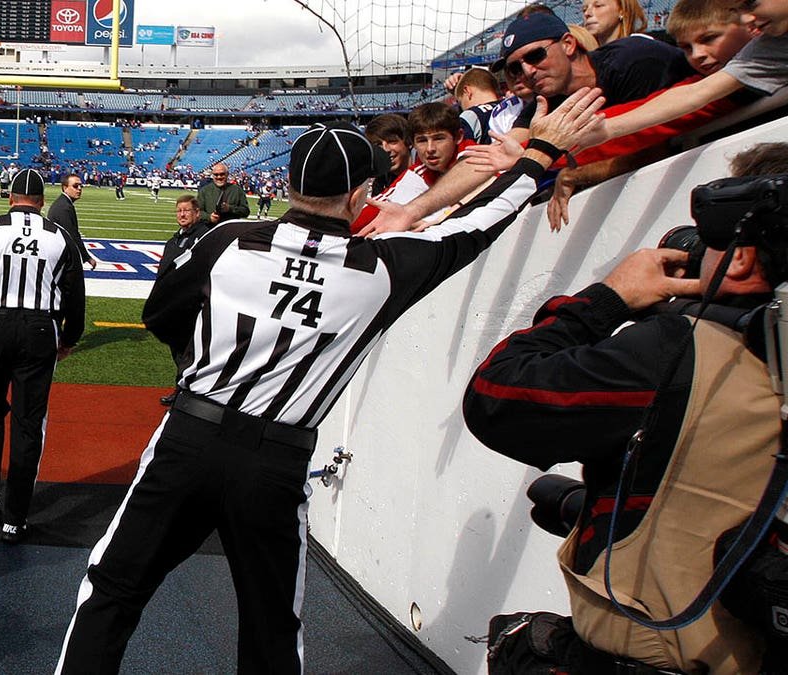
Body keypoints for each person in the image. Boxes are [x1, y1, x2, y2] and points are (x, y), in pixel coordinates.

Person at [56, 89, 606, 673]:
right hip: (276, 462)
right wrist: (540, 152)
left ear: (287, 185)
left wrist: (205, 367)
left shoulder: (227, 240)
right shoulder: (383, 268)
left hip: (190, 434)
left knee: (112, 590)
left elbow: (161, 313)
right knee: (271, 626)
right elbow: (477, 225)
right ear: (362, 193)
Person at [462, 143, 788, 674]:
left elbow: (498, 398)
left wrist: (608, 298)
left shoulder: (678, 351)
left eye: (708, 241)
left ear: (742, 256)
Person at [360, 12, 693, 235]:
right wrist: (415, 212)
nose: (527, 73)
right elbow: (486, 161)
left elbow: (656, 148)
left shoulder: (633, 62)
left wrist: (576, 172)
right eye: (515, 68)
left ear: (568, 44)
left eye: (535, 56)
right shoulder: (540, 101)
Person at [0, 168, 86, 545]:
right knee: (28, 420)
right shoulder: (60, 236)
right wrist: (70, 337)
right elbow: (75, 295)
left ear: (10, 198)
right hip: (40, 328)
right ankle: (15, 517)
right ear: (41, 202)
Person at [575, 0, 788, 152]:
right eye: (738, 9)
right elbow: (697, 93)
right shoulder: (768, 48)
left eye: (751, 3)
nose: (746, 19)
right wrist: (607, 129)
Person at [154, 195, 210, 407]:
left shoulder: (203, 237)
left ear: (197, 213)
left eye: (186, 210)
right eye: (179, 211)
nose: (182, 214)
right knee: (179, 352)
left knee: (189, 353)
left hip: (191, 306)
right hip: (174, 305)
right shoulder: (177, 238)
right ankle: (182, 389)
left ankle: (186, 393)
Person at [46, 173, 96, 269]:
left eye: (81, 185)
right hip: (60, 257)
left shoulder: (64, 203)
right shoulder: (64, 206)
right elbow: (72, 235)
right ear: (65, 188)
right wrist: (87, 257)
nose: (79, 188)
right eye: (75, 186)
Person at [454, 67, 503, 145]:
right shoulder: (510, 106)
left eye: (461, 102)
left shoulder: (470, 115)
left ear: (467, 91)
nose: (462, 108)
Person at [196, 162, 250, 227]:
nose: (219, 177)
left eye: (222, 174)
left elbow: (246, 211)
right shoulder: (205, 190)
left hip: (231, 229)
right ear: (212, 176)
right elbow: (197, 211)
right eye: (216, 175)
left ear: (227, 174)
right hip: (210, 229)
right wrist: (209, 217)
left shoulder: (237, 190)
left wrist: (230, 208)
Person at [582, 0, 649, 45]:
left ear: (622, 10)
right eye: (584, 10)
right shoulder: (581, 58)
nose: (587, 13)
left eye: (598, 6)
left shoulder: (642, 48)